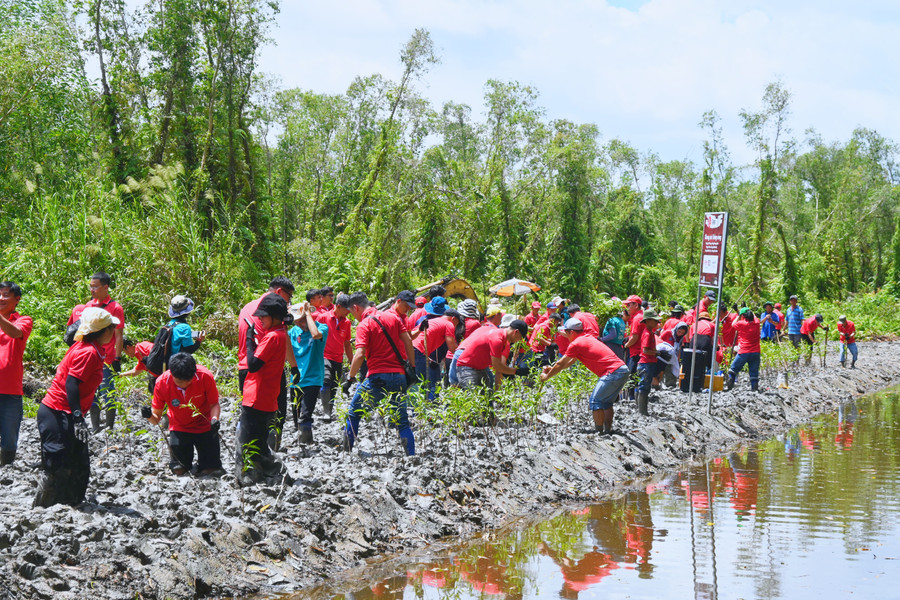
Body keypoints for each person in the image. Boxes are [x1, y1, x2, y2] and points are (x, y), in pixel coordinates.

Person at [34, 307, 119, 507]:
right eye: (112, 329)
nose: (114, 332)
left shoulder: (94, 347)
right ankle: (44, 509)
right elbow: (71, 384)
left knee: (78, 462)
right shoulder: (88, 351)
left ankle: (71, 505)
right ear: (104, 331)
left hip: (67, 411)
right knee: (57, 464)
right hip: (57, 411)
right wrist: (79, 417)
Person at [341, 292, 417, 456]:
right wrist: (412, 365)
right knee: (402, 420)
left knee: (354, 412)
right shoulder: (393, 318)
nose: (354, 317)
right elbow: (408, 341)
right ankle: (411, 456)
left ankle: (346, 452)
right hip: (399, 376)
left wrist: (350, 378)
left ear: (356, 307)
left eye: (352, 313)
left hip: (377, 377)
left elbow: (360, 354)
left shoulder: (364, 325)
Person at [540, 318, 629, 435]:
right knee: (606, 403)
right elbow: (568, 363)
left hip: (613, 372)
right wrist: (551, 370)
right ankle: (607, 431)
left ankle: (599, 433)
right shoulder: (587, 338)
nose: (565, 335)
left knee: (595, 401)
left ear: (572, 332)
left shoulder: (576, 343)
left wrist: (546, 377)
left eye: (566, 333)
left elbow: (560, 363)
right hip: (622, 370)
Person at [237, 293, 290, 485]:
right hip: (267, 397)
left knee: (247, 440)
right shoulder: (280, 335)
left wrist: (250, 340)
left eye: (263, 316)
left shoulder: (273, 337)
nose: (260, 319)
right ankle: (266, 473)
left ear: (275, 317)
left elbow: (252, 364)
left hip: (256, 396)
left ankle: (251, 476)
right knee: (258, 441)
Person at [237, 276, 294, 449]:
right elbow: (280, 343)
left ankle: (247, 450)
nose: (289, 302)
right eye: (288, 297)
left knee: (249, 414)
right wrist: (294, 366)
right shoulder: (272, 312)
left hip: (244, 367)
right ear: (278, 292)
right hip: (264, 369)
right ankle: (269, 452)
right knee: (275, 414)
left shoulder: (247, 308)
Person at [145, 353, 222, 475]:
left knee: (211, 470)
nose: (184, 384)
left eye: (188, 381)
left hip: (205, 425)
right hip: (179, 427)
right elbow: (156, 419)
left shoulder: (205, 376)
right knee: (179, 470)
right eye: (179, 381)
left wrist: (214, 419)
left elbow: (214, 404)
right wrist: (148, 415)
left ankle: (202, 465)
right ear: (171, 373)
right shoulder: (162, 383)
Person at [67, 272, 125, 433]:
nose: (92, 290)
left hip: (107, 358)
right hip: (90, 356)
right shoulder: (87, 306)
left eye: (95, 286)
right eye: (90, 286)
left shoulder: (115, 307)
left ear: (105, 287)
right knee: (91, 392)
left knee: (108, 391)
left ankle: (110, 427)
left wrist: (117, 358)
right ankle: (95, 427)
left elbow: (119, 335)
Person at [0, 282, 32, 466]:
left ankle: (6, 474)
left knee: (10, 439)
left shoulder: (23, 320)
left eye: (5, 295)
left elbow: (14, 332)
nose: (1, 298)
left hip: (11, 390)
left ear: (17, 300)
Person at [287, 302, 328, 444]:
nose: (299, 324)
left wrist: (308, 314)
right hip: (296, 379)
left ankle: (305, 442)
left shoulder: (322, 328)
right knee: (296, 414)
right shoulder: (292, 333)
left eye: (302, 320)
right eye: (296, 322)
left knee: (305, 414)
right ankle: (305, 439)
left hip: (313, 378)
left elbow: (316, 334)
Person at [455, 320, 528, 392]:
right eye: (520, 338)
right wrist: (516, 371)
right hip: (467, 367)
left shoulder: (498, 334)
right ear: (516, 332)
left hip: (480, 368)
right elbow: (497, 366)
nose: (518, 340)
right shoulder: (498, 339)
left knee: (487, 397)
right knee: (473, 397)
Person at [315, 292, 353, 420]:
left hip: (338, 358)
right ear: (338, 306)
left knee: (334, 386)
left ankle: (329, 411)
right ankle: (325, 411)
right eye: (346, 309)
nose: (348, 311)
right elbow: (313, 336)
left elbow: (347, 344)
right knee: (326, 379)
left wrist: (352, 361)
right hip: (324, 356)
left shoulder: (347, 323)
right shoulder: (323, 318)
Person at [414, 306, 461, 401]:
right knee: (425, 383)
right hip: (419, 350)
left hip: (413, 349)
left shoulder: (432, 321)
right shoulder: (449, 324)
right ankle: (422, 410)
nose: (456, 327)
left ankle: (415, 409)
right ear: (454, 318)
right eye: (457, 324)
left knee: (415, 381)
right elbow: (452, 347)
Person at [726, 308, 761, 391]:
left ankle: (730, 385)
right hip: (756, 352)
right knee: (754, 373)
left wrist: (738, 315)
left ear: (743, 317)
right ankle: (754, 388)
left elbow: (733, 324)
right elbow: (754, 316)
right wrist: (748, 309)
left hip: (744, 352)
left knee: (733, 369)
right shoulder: (757, 322)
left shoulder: (742, 324)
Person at [635, 309, 660, 416]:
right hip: (646, 363)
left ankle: (642, 411)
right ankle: (642, 412)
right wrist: (656, 353)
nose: (656, 323)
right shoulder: (647, 333)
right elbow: (645, 350)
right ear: (648, 321)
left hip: (648, 362)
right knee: (644, 386)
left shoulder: (650, 332)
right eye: (655, 321)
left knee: (644, 385)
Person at [621, 295, 644, 398]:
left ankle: (631, 398)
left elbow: (634, 338)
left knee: (632, 376)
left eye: (629, 305)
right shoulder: (641, 316)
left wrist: (626, 345)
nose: (627, 307)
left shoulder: (636, 319)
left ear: (635, 305)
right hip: (641, 352)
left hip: (636, 352)